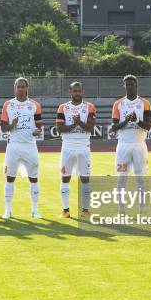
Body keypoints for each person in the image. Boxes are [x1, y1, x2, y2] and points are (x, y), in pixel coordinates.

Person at [1, 77, 43, 219]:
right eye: (18, 86)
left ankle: (35, 210)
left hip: (30, 146)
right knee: (9, 178)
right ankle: (8, 210)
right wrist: (12, 125)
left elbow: (39, 126)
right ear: (15, 88)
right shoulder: (8, 105)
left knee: (34, 179)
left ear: (27, 88)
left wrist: (37, 131)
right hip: (13, 146)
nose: (20, 89)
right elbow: (3, 128)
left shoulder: (35, 105)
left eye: (23, 86)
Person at [109, 75, 151, 212]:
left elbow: (148, 126)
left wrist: (137, 120)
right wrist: (126, 121)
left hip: (139, 145)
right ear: (124, 86)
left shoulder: (145, 103)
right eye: (127, 85)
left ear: (136, 85)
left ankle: (142, 207)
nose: (129, 87)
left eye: (132, 84)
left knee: (140, 177)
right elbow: (114, 128)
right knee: (122, 177)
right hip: (123, 145)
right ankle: (121, 208)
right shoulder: (118, 104)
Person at [56, 82, 96, 218]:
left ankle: (85, 210)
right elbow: (60, 129)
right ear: (70, 92)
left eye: (79, 91)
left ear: (82, 91)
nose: (77, 93)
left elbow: (90, 128)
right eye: (75, 91)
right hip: (67, 148)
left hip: (84, 148)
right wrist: (75, 123)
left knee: (85, 179)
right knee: (65, 178)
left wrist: (78, 122)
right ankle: (66, 210)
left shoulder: (89, 107)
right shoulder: (63, 108)